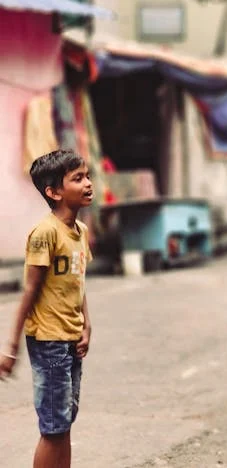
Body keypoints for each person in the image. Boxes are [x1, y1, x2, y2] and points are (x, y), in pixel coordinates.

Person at [0, 149, 94, 468]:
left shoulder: (80, 233)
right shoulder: (45, 234)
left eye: (87, 176)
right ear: (54, 192)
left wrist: (86, 324)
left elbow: (76, 282)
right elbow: (29, 290)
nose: (88, 184)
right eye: (77, 178)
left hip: (70, 339)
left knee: (64, 423)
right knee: (53, 428)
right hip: (49, 341)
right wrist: (11, 348)